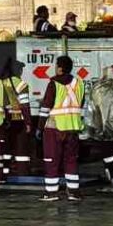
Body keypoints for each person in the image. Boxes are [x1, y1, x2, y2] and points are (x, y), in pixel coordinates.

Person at [38, 55, 86, 201]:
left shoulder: (53, 83)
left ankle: (51, 193)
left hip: (55, 127)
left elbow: (46, 107)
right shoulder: (79, 83)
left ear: (59, 68)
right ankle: (73, 192)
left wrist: (40, 127)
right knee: (71, 160)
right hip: (73, 128)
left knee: (52, 160)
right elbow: (81, 105)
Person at [1, 60, 33, 177]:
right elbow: (24, 105)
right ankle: (22, 172)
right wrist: (28, 122)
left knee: (6, 148)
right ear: (18, 71)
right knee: (21, 149)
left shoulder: (1, 83)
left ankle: (5, 172)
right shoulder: (21, 85)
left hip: (4, 120)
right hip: (18, 120)